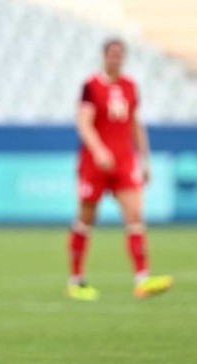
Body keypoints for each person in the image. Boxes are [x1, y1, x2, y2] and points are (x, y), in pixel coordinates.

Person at [67, 38, 173, 301]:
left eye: (119, 55)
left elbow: (135, 124)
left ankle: (142, 279)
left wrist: (144, 160)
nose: (115, 59)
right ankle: (76, 280)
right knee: (85, 220)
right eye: (111, 55)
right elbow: (84, 123)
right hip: (95, 164)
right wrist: (99, 150)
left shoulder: (129, 87)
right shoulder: (91, 87)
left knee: (135, 216)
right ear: (104, 56)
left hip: (124, 162)